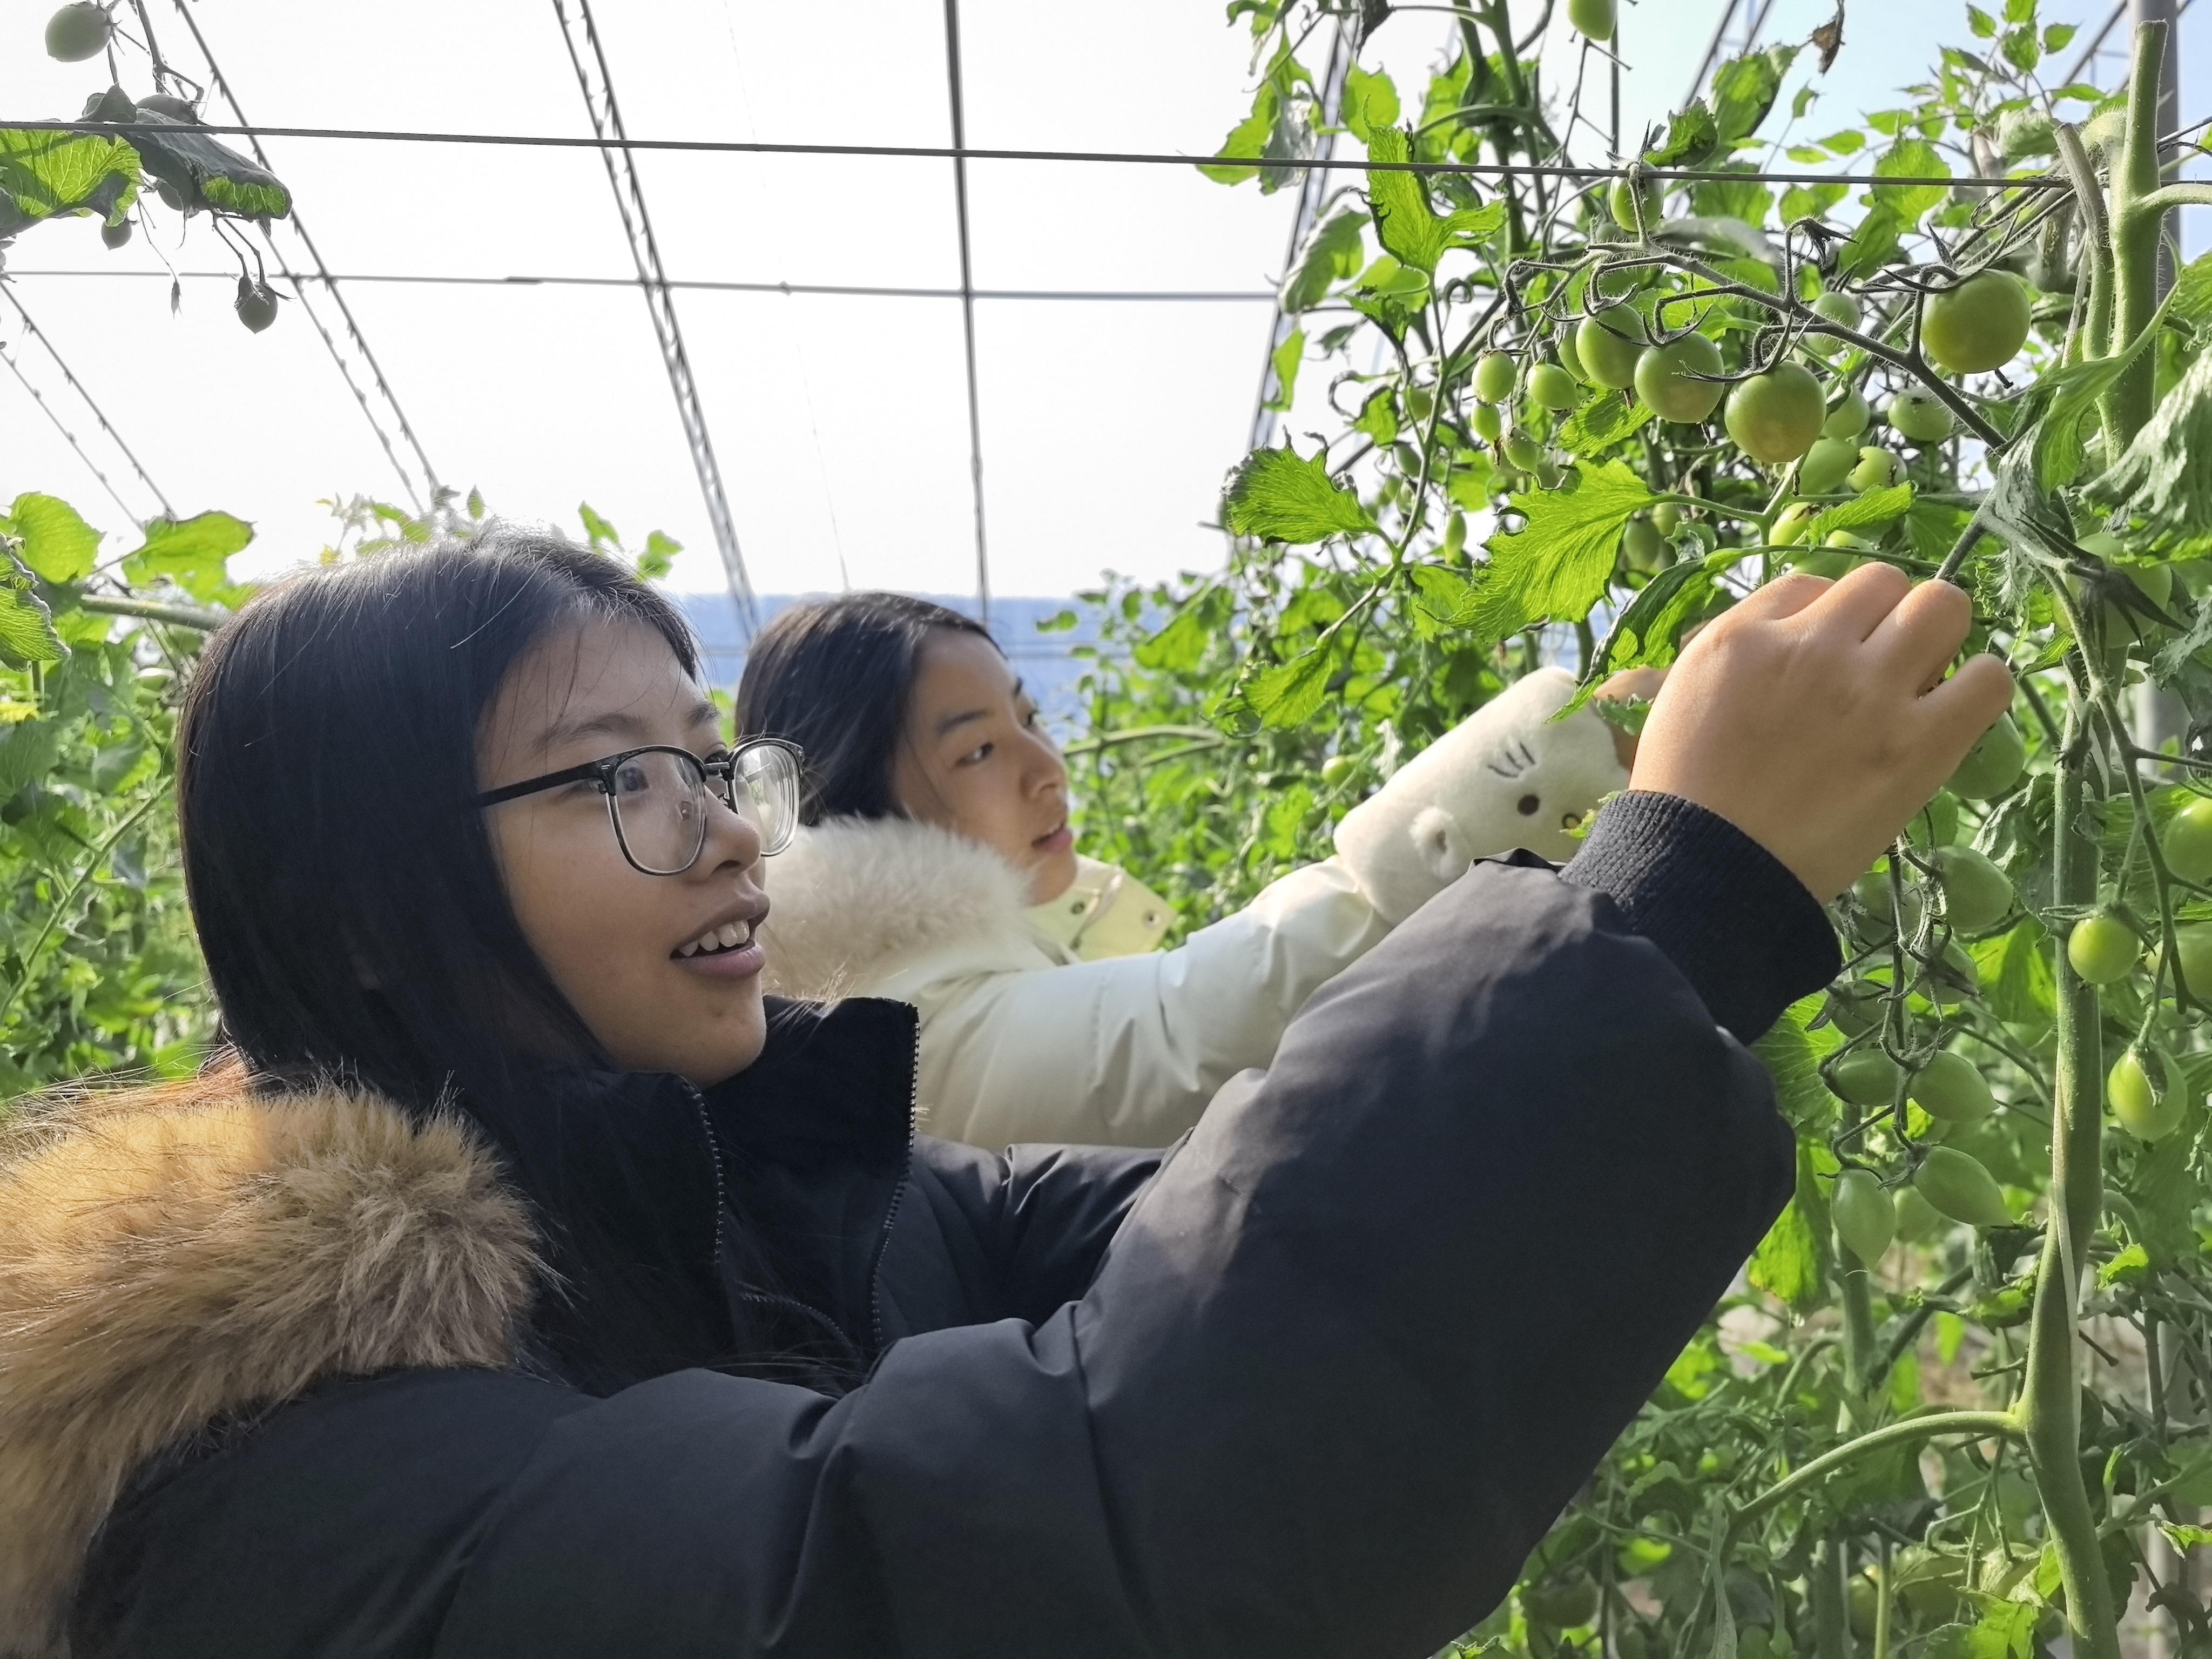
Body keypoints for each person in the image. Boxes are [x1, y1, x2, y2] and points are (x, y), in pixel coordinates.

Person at [0, 529, 2009, 1658]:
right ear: (362, 902)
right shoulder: (288, 1486)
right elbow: (1092, 1516)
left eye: (711, 763)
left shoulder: (752, 1188)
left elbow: (1202, 1222)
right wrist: (1665, 907)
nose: (727, 832)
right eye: (624, 777)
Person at [739, 592, 1660, 1147]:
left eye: (1029, 718)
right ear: (851, 801)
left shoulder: (931, 985)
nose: (1045, 766)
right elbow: (1189, 1031)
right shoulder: (902, 1036)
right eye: (977, 751)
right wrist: (1559, 745)